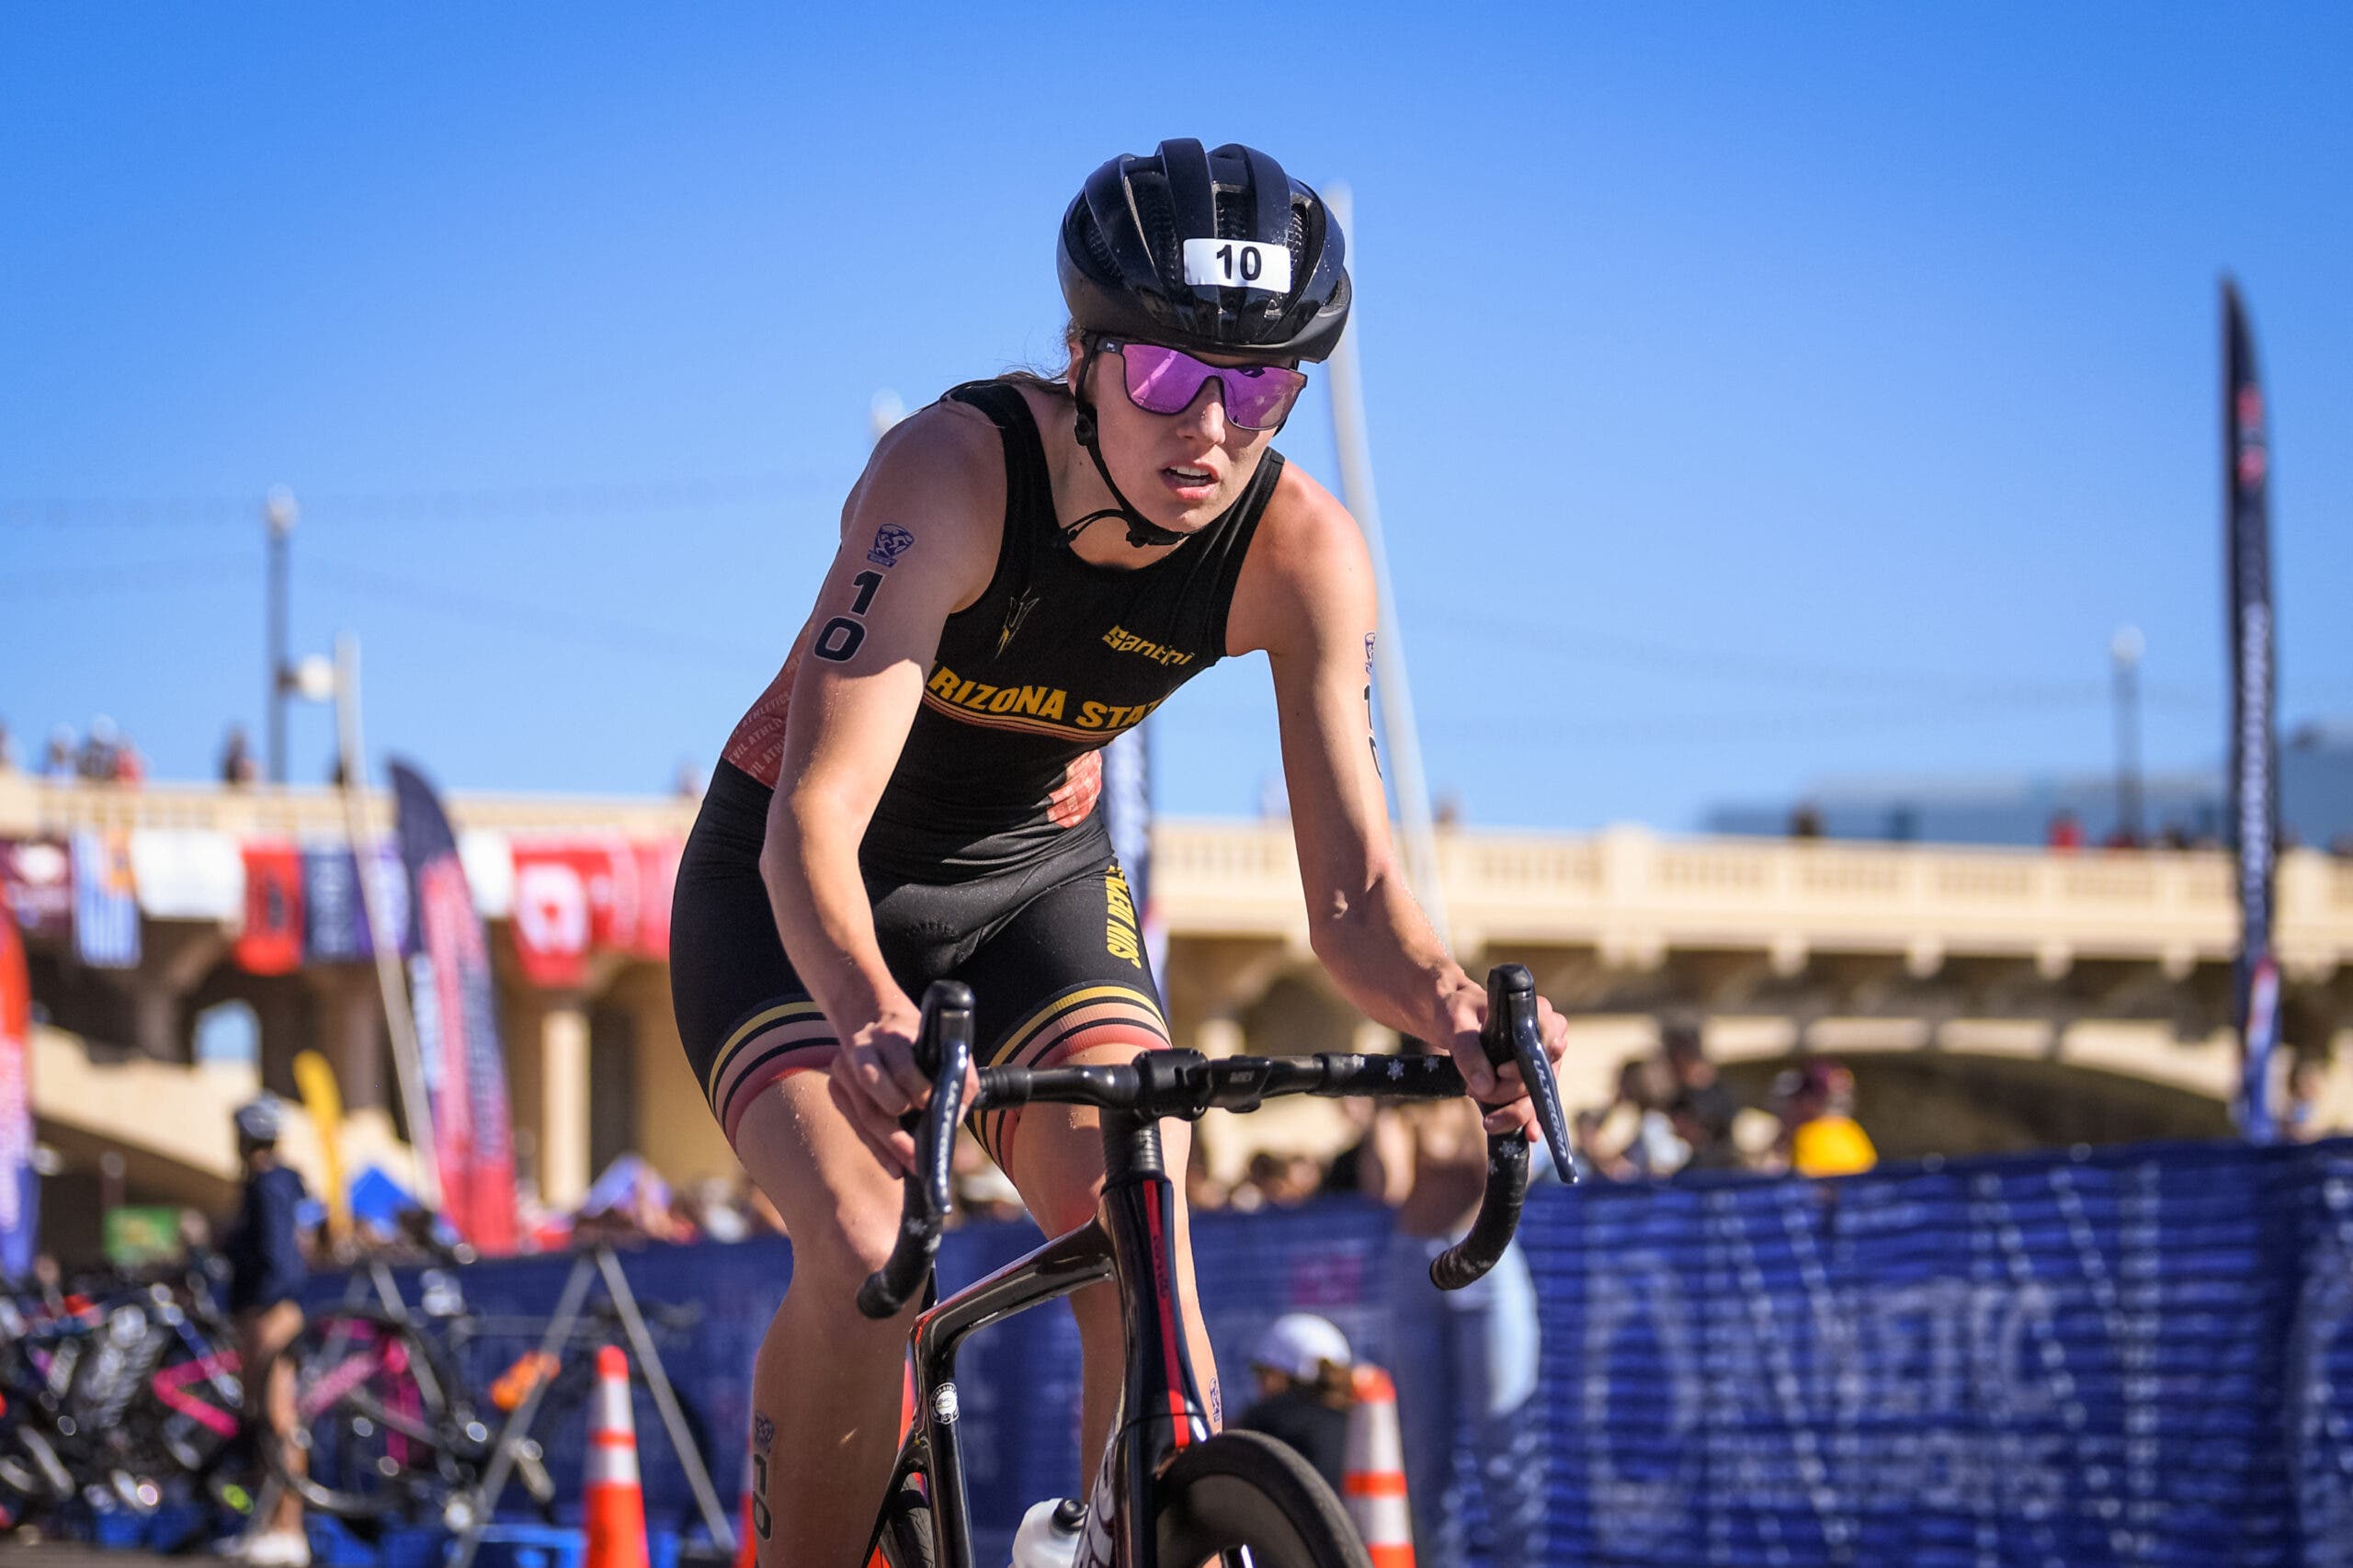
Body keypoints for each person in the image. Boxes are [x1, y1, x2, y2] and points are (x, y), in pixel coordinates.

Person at [666, 139, 1571, 1568]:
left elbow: (1350, 901)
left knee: (1148, 1250)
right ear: (1084, 356)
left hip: (1030, 884)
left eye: (1261, 386)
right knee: (861, 1247)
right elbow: (813, 824)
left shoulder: (1302, 552)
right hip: (805, 895)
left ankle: (1122, 1533)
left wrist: (1456, 1011)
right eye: (1167, 376)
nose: (1210, 427)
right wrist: (871, 1024)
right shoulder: (953, 474)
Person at [1363, 1050, 1547, 1568]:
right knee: (1424, 1459)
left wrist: (1472, 1096)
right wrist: (1386, 1110)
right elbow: (1388, 1186)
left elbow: (1499, 1173)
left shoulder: (1486, 1094)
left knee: (1504, 1451)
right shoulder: (1403, 1111)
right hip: (1415, 1270)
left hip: (1486, 1264)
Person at [220, 1096, 311, 1565]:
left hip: (270, 1311)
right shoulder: (283, 1182)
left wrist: (264, 1311)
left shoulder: (269, 1184)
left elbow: (277, 1254)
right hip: (269, 1308)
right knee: (264, 1420)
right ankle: (269, 1524)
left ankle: (288, 1529)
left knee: (279, 1419)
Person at [1232, 1313, 1354, 1495]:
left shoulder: (1261, 1426)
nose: (1260, 1384)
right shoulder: (1363, 1428)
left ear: (1278, 1375)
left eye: (1262, 1372)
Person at [1774, 1059, 1878, 1176]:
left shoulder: (1811, 1135)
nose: (1846, 1101)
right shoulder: (1851, 1130)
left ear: (1808, 1102)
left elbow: (1814, 1186)